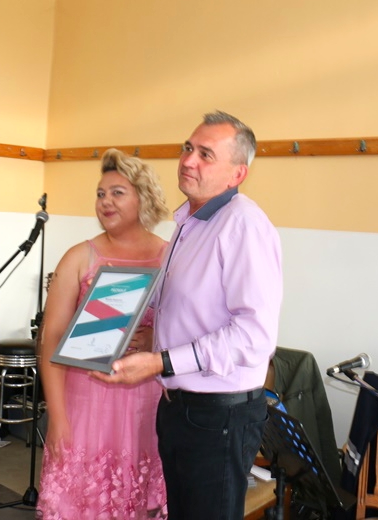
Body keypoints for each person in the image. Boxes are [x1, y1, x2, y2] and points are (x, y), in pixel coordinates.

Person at [91, 111, 283, 519]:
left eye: (206, 154)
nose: (188, 160)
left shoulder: (243, 225)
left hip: (219, 416)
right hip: (179, 407)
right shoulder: (188, 221)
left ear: (237, 174)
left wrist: (160, 360)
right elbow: (184, 306)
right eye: (188, 148)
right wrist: (132, 325)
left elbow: (254, 335)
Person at [37, 148, 169, 520]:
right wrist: (57, 416)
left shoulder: (169, 257)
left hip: (147, 404)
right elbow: (50, 338)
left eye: (117, 193)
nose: (105, 201)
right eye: (100, 194)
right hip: (85, 403)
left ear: (143, 198)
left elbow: (187, 328)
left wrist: (154, 339)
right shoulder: (80, 257)